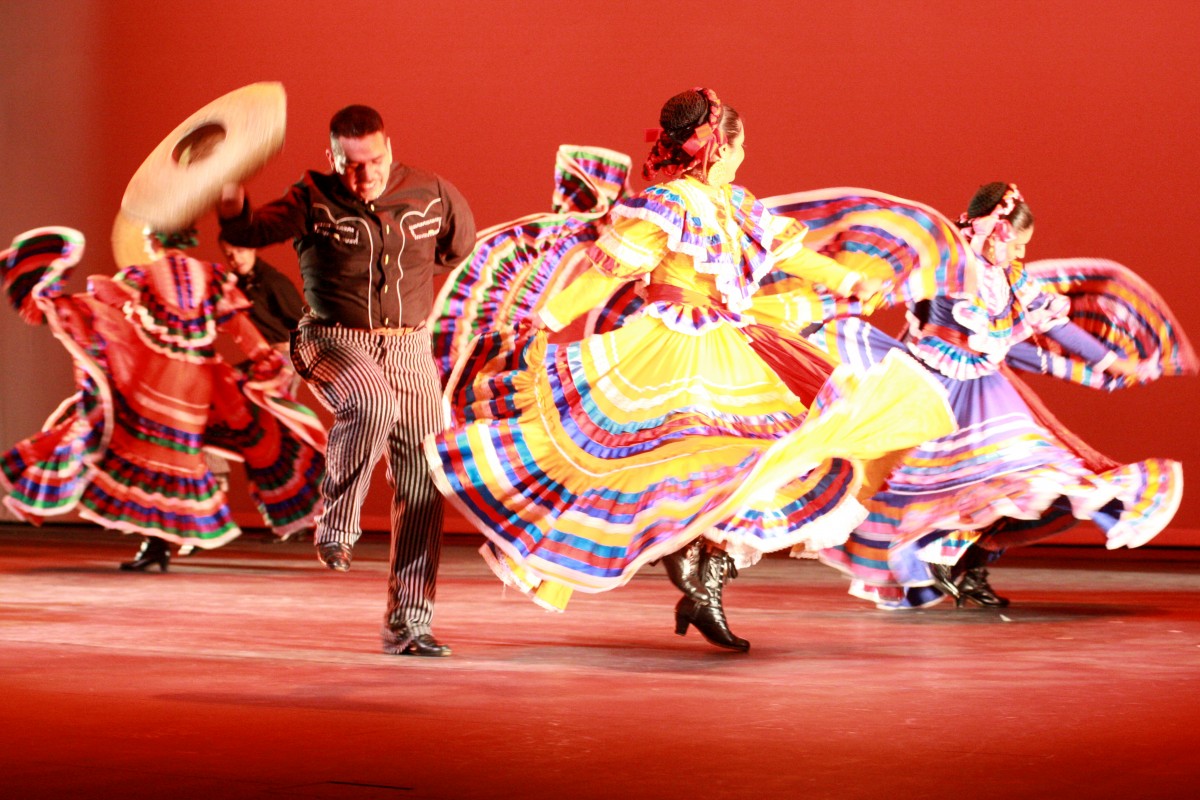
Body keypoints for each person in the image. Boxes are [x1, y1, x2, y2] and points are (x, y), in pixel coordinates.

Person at [425, 88, 956, 651]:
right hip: (672, 345)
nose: (744, 156)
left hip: (734, 341)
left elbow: (787, 252)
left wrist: (848, 280)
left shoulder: (737, 205)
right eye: (740, 145)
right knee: (686, 459)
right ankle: (689, 560)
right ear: (717, 147)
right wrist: (542, 319)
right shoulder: (666, 205)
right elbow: (606, 274)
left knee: (763, 459)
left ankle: (705, 576)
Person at [815, 183, 1191, 609]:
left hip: (984, 388)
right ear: (997, 232)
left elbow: (1053, 325)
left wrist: (1107, 362)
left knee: (1032, 473)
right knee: (923, 486)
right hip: (931, 389)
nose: (1021, 254)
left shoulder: (1010, 276)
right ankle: (933, 558)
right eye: (1018, 244)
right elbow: (886, 288)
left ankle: (969, 561)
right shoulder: (945, 263)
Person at [217, 104, 476, 657]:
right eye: (352, 165)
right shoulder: (311, 196)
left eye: (375, 161)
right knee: (371, 402)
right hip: (332, 339)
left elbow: (459, 244)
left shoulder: (430, 191)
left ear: (389, 147)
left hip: (408, 346)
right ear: (331, 157)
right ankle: (338, 522)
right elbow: (249, 229)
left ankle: (409, 622)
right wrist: (229, 196)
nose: (365, 175)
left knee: (424, 480)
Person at [0, 225, 326, 571]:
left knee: (133, 448)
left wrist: (63, 305)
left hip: (157, 378)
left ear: (154, 241)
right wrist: (263, 356)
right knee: (181, 458)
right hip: (198, 383)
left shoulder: (142, 274)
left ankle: (155, 545)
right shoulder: (211, 276)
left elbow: (106, 308)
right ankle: (159, 544)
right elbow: (238, 325)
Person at [201, 236, 307, 510]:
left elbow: (303, 324)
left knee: (270, 433)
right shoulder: (235, 284)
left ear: (253, 247)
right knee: (209, 398)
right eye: (229, 253)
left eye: (240, 248)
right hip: (260, 360)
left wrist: (294, 365)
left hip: (283, 359)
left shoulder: (273, 282)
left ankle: (292, 508)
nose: (235, 257)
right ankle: (216, 477)